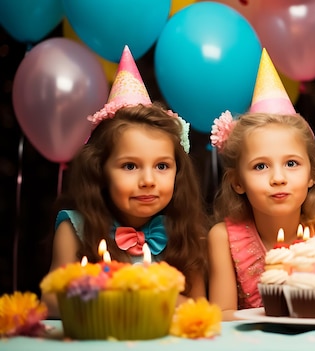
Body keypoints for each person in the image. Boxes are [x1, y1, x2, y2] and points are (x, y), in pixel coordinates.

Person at [42, 47, 209, 318]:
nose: (147, 181)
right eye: (130, 166)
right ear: (100, 171)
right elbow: (49, 299)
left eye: (162, 166)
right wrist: (105, 297)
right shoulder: (75, 227)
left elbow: (200, 309)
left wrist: (159, 298)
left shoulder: (185, 230)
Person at [207, 49, 315, 321]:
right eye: (260, 166)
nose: (278, 178)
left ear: (312, 174)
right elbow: (221, 316)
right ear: (237, 182)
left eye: (291, 163)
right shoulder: (223, 237)